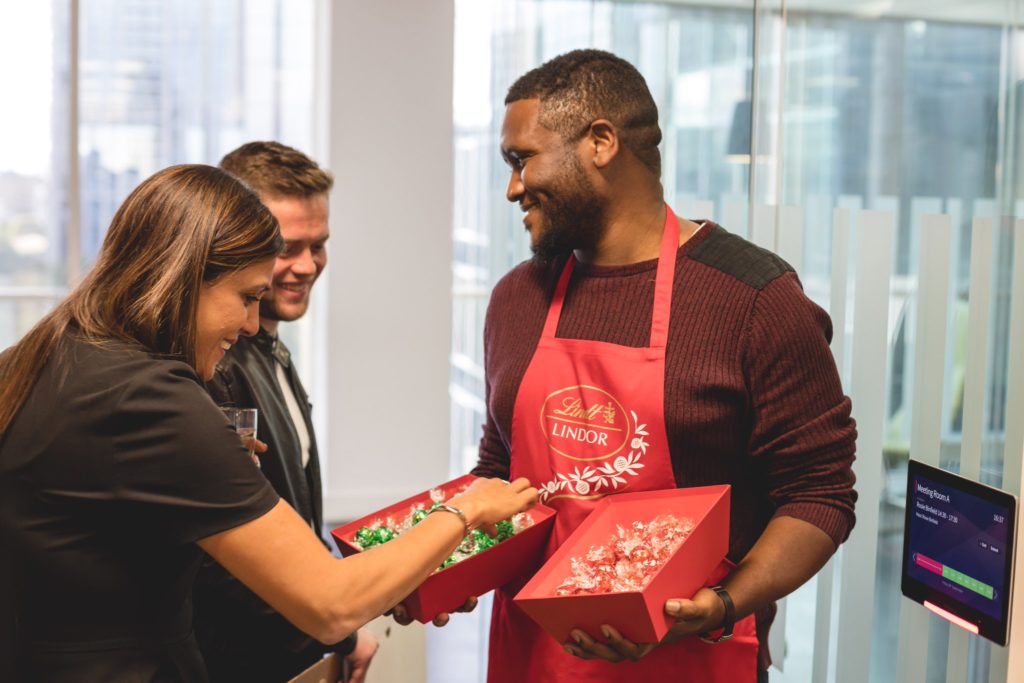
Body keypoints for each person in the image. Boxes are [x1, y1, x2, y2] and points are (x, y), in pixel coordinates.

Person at [0, 164, 538, 682]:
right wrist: (464, 513)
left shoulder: (44, 355)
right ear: (185, 278)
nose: (252, 323)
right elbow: (331, 605)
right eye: (247, 297)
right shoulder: (151, 398)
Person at [470, 49, 857, 682]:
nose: (513, 186)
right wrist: (457, 564)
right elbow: (498, 468)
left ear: (600, 143)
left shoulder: (753, 299)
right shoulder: (518, 297)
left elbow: (820, 494)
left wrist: (723, 605)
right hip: (535, 659)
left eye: (522, 158)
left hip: (691, 658)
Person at [190, 142, 377, 683]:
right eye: (287, 247)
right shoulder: (216, 366)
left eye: (318, 245)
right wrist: (334, 626)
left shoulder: (272, 348)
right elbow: (230, 562)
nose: (306, 265)